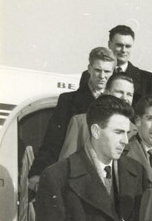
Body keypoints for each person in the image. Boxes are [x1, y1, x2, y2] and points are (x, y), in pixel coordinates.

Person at [29, 46, 116, 189]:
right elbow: (53, 140)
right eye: (97, 70)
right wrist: (37, 173)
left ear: (112, 71)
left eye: (107, 71)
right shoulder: (68, 101)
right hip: (76, 173)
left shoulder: (115, 103)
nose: (102, 76)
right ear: (89, 69)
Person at [58, 72, 137, 160]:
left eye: (129, 94)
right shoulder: (81, 122)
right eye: (119, 92)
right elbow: (66, 165)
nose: (125, 98)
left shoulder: (135, 130)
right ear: (107, 92)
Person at [79, 24, 152, 103]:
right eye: (119, 45)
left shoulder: (147, 79)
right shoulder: (88, 75)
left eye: (128, 46)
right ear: (109, 44)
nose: (123, 50)